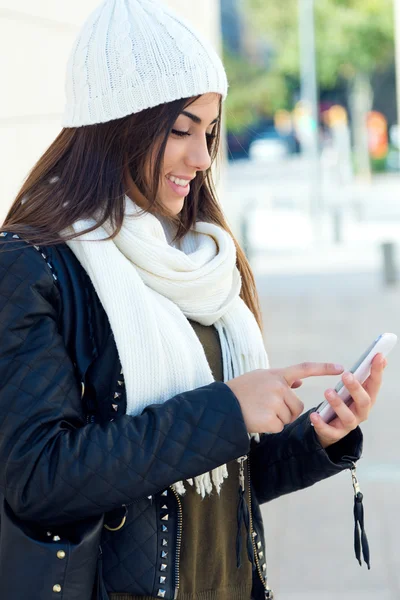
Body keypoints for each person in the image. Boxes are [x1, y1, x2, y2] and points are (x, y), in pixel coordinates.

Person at [0, 1, 386, 599]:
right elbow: (39, 476)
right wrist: (227, 409)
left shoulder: (194, 259)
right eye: (180, 130)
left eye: (208, 131)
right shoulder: (34, 266)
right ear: (115, 124)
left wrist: (314, 437)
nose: (203, 157)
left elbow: (220, 480)